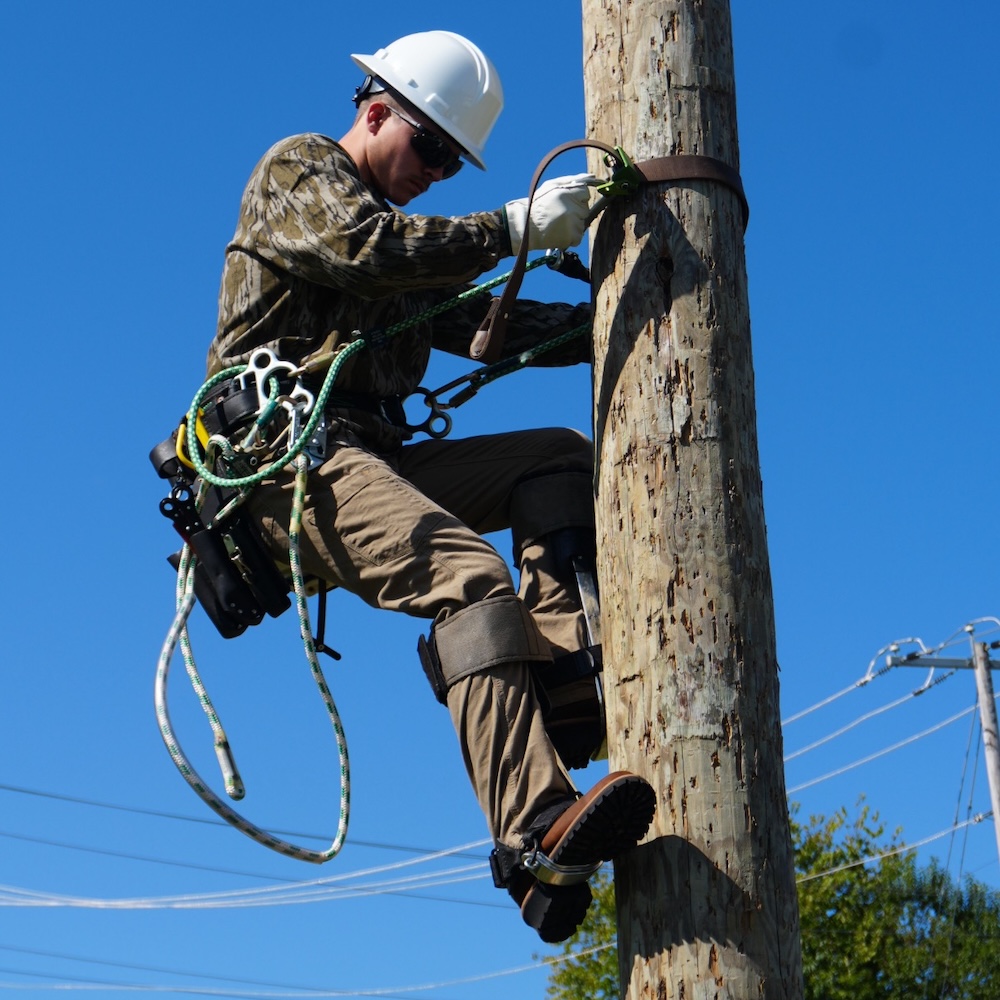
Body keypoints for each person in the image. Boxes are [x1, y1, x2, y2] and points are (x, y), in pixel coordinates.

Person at [205, 29, 655, 943]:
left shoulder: (415, 247)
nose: (437, 172)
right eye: (432, 149)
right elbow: (371, 247)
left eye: (454, 164)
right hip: (289, 465)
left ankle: (559, 676)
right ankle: (534, 837)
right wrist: (514, 225)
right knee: (466, 575)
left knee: (555, 458)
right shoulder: (300, 173)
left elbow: (488, 323)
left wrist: (628, 304)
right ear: (376, 110)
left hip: (372, 456)